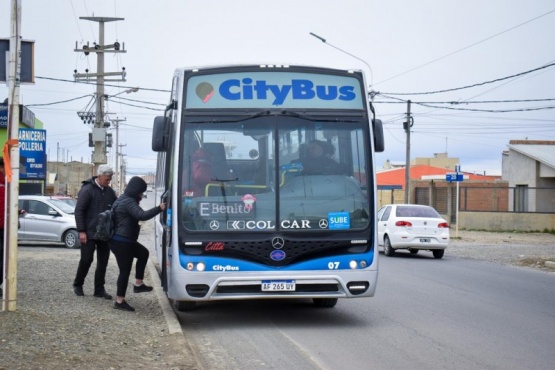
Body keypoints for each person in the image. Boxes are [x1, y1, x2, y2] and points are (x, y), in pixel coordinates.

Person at [109, 176, 166, 312]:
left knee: (143, 253)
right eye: (141, 192)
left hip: (121, 240)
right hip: (122, 241)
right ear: (136, 190)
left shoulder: (122, 198)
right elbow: (142, 215)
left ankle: (138, 284)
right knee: (124, 271)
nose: (141, 194)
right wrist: (160, 208)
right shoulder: (128, 202)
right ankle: (119, 301)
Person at [73, 165, 117, 299]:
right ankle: (78, 284)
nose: (108, 181)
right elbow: (79, 211)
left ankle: (99, 289)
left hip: (105, 233)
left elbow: (115, 209)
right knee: (86, 259)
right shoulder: (87, 190)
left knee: (103, 262)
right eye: (106, 179)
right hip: (89, 232)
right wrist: (81, 231)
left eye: (109, 179)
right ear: (99, 176)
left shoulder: (110, 192)